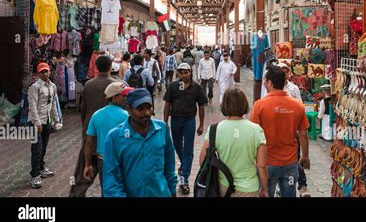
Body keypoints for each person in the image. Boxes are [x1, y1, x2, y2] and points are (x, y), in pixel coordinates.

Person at [103, 88, 177, 197]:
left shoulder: (162, 130)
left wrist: (173, 191)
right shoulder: (114, 137)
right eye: (140, 109)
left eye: (149, 107)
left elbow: (169, 167)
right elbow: (111, 178)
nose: (146, 113)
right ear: (128, 109)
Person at [250, 66, 310, 198]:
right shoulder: (297, 105)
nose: (264, 83)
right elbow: (303, 134)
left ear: (270, 83)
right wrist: (305, 156)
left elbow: (253, 135)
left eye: (265, 81)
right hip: (290, 162)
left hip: (266, 163)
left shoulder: (259, 105)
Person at [199, 89, 268, 197]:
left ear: (224, 106)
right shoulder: (256, 130)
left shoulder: (214, 129)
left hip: (223, 186)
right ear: (245, 104)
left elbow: (202, 160)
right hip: (249, 188)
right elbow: (261, 165)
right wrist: (264, 188)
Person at [70, 55, 116, 196]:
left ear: (96, 67)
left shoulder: (88, 85)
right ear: (110, 67)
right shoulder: (118, 85)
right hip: (110, 137)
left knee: (82, 175)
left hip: (91, 134)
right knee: (109, 179)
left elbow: (83, 111)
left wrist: (85, 129)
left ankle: (76, 194)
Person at [163, 63, 207, 195]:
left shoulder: (196, 88)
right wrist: (165, 122)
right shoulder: (173, 87)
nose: (183, 75)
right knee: (177, 146)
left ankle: (184, 179)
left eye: (186, 72)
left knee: (188, 149)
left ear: (190, 73)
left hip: (189, 121)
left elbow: (201, 105)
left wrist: (201, 124)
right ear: (178, 74)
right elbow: (167, 104)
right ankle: (184, 166)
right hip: (175, 120)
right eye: (181, 73)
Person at [83, 82, 132, 194]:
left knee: (106, 190)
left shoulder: (96, 115)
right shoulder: (126, 116)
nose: (126, 98)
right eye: (123, 96)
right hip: (123, 160)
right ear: (115, 98)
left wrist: (87, 165)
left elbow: (89, 142)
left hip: (103, 161)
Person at [278, 63, 310, 197]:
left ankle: (302, 185)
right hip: (278, 129)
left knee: (295, 157)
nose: (285, 74)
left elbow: (300, 107)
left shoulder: (294, 88)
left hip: (293, 129)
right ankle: (282, 186)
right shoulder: (273, 87)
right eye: (282, 71)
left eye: (286, 71)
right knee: (281, 160)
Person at [28, 62, 61, 188]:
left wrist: (56, 120)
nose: (45, 73)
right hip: (36, 122)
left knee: (43, 147)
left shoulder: (52, 86)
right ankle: (35, 175)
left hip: (47, 121)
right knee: (36, 149)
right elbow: (32, 106)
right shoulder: (35, 87)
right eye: (42, 72)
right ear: (38, 73)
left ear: (50, 71)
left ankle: (41, 168)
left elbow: (53, 105)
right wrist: (37, 123)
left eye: (46, 71)